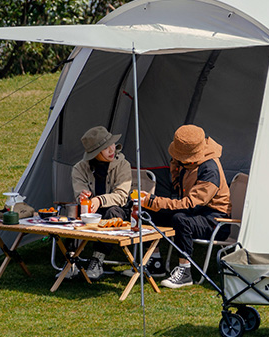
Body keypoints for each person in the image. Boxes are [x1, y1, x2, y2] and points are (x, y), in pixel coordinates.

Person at [139, 124, 230, 289]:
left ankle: (185, 272)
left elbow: (190, 205)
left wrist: (154, 200)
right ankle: (155, 262)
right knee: (147, 212)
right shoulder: (187, 163)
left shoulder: (210, 169)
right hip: (196, 212)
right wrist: (176, 164)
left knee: (181, 219)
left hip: (216, 220)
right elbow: (177, 186)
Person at [71, 126, 132, 280]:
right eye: (105, 148)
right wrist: (83, 197)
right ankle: (70, 261)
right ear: (94, 153)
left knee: (113, 212)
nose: (112, 149)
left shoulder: (122, 165)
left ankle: (97, 259)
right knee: (72, 214)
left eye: (112, 144)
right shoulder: (80, 168)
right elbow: (79, 193)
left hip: (116, 211)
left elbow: (122, 196)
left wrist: (100, 199)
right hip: (90, 213)